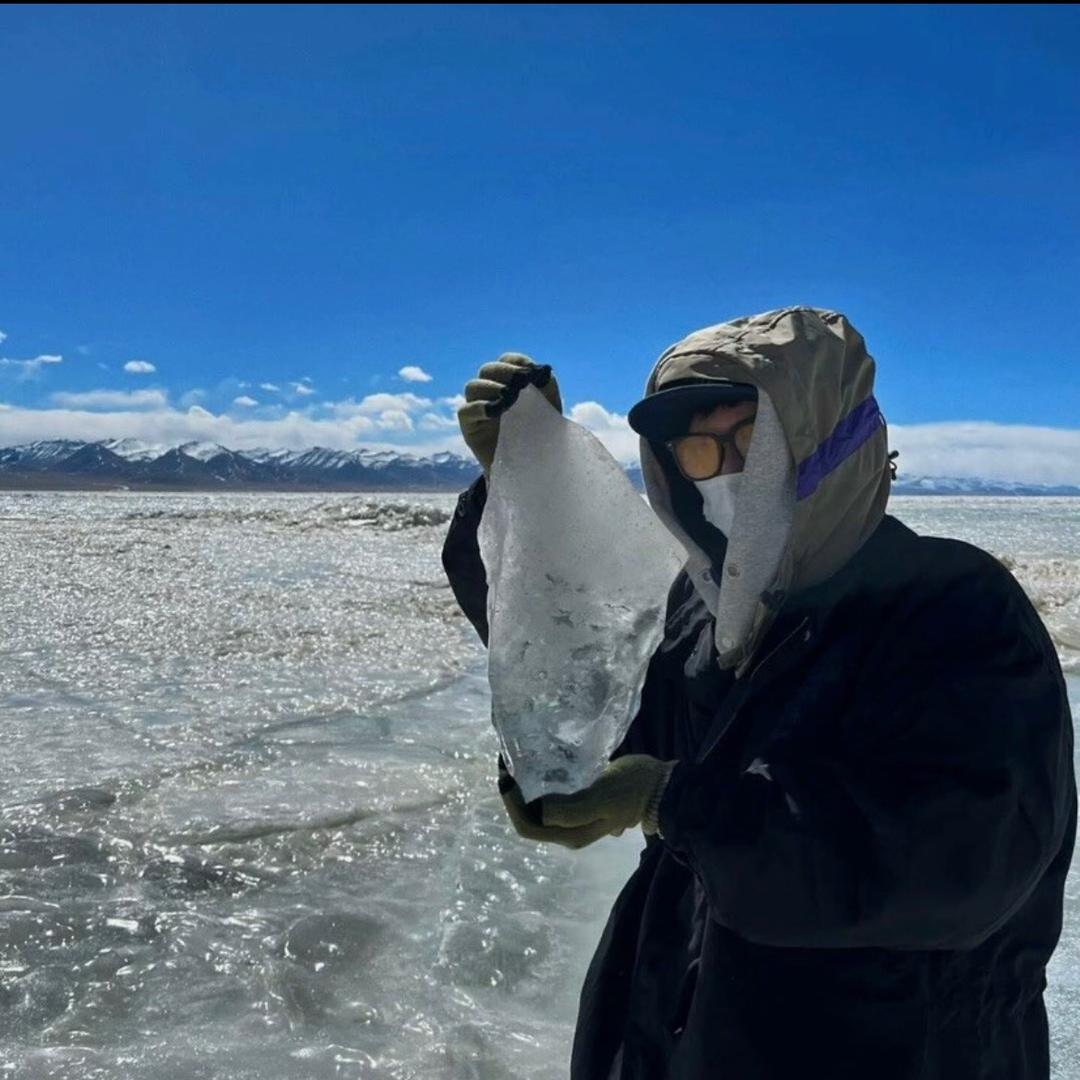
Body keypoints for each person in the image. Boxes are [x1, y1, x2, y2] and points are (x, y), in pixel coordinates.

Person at [441, 306, 1076, 1080]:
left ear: (826, 441)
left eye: (749, 438)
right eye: (698, 451)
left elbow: (956, 867)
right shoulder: (706, 611)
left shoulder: (951, 608)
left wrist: (672, 802)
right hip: (677, 1023)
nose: (725, 473)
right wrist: (527, 488)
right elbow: (598, 693)